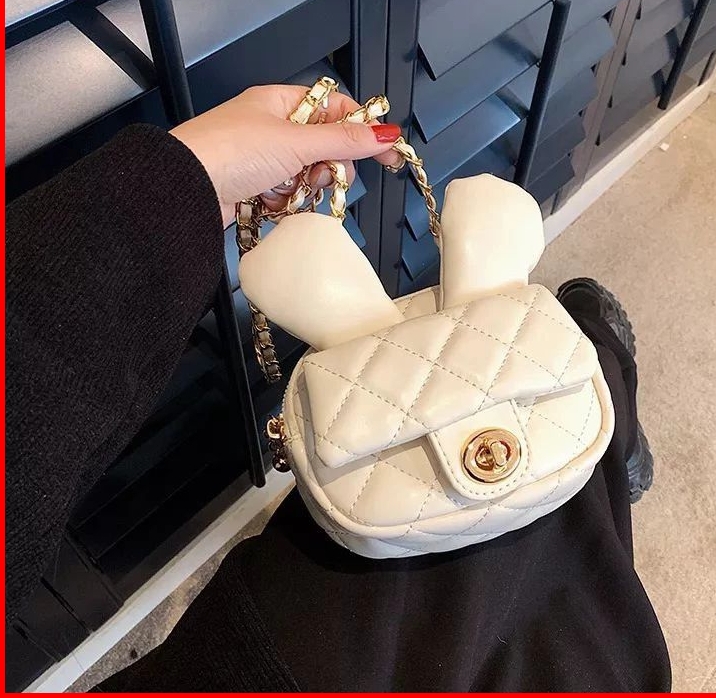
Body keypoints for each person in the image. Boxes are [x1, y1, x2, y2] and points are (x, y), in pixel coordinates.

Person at [6, 85, 669, 692]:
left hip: (281, 657)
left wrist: (194, 178)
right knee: (577, 459)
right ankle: (615, 417)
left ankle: (613, 433)